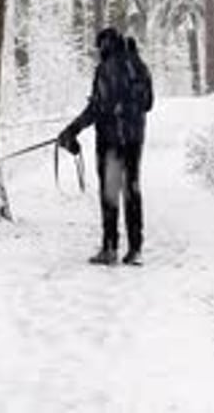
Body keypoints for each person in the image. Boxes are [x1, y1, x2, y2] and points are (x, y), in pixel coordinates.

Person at [57, 27, 153, 266]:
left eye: (99, 47)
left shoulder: (106, 69)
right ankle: (136, 249)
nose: (98, 52)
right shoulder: (140, 66)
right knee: (132, 189)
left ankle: (110, 248)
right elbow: (149, 104)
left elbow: (97, 109)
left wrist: (72, 130)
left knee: (110, 193)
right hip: (135, 139)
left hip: (111, 141)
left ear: (106, 45)